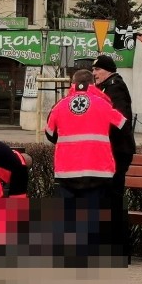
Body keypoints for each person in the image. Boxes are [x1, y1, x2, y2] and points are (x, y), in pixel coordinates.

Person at [45, 69, 126, 200]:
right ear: (93, 84)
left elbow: (49, 133)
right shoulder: (104, 104)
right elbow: (122, 127)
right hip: (98, 172)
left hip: (67, 173)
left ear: (73, 84)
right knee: (91, 218)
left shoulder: (59, 106)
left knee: (67, 218)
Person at [92, 54, 137, 261]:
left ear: (107, 70)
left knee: (113, 200)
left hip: (117, 152)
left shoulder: (115, 87)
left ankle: (119, 250)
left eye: (97, 70)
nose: (94, 74)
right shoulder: (108, 86)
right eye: (93, 71)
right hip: (114, 152)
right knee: (110, 199)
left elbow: (120, 121)